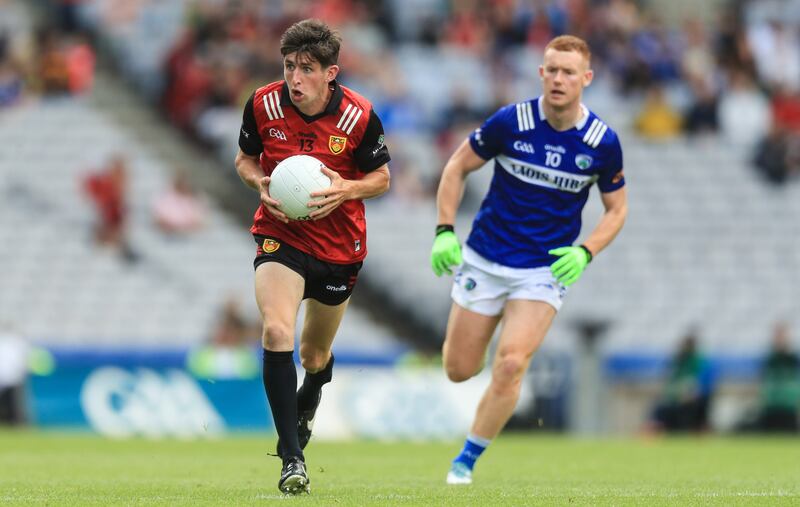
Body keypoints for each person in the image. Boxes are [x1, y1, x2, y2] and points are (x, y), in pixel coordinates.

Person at [429, 35, 628, 485]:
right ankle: (478, 348)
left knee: (512, 362)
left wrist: (585, 251)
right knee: (459, 369)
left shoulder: (601, 141)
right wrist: (444, 231)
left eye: (569, 72)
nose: (559, 79)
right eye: (552, 70)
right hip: (484, 258)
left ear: (586, 79)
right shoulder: (511, 121)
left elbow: (617, 209)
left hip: (542, 270)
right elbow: (456, 166)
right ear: (541, 72)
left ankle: (465, 462)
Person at [233, 19, 390, 495]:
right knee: (277, 330)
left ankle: (312, 394)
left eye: (306, 69)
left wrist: (348, 188)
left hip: (339, 248)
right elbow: (244, 159)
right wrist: (257, 181)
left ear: (331, 73)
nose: (294, 78)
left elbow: (382, 178)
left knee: (314, 354)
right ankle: (291, 459)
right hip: (280, 234)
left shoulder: (358, 116)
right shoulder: (262, 104)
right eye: (288, 67)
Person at [646, 331, 714, 433]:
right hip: (678, 396)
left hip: (695, 397)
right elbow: (671, 381)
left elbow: (700, 384)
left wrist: (690, 393)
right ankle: (655, 429)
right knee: (660, 407)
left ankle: (694, 430)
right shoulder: (678, 361)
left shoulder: (699, 361)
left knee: (683, 408)